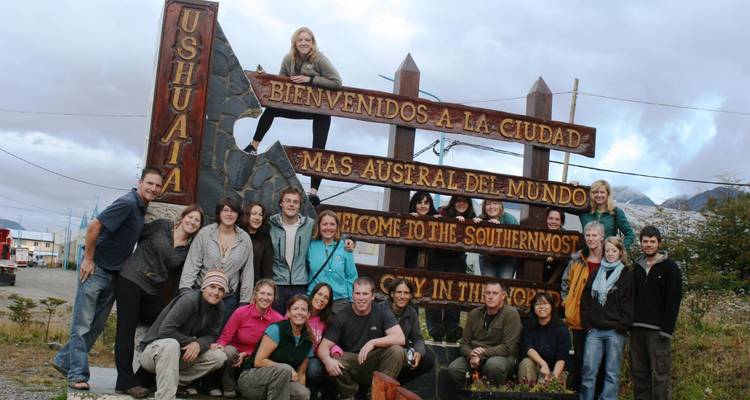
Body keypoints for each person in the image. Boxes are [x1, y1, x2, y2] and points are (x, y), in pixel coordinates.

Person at [52, 167, 163, 391]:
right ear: (140, 182)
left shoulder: (141, 208)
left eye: (157, 185)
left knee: (96, 325)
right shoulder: (129, 202)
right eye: (149, 183)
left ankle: (63, 361)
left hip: (115, 274)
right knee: (82, 324)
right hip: (96, 270)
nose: (153, 188)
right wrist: (88, 259)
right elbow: (94, 226)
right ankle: (76, 374)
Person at [245, 27, 342, 206]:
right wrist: (265, 77)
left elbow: (336, 81)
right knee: (272, 108)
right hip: (297, 105)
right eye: (300, 40)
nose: (304, 43)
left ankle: (313, 191)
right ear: (295, 43)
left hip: (318, 110)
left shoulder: (319, 59)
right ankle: (253, 145)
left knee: (318, 149)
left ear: (312, 43)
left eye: (307, 40)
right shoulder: (288, 59)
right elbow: (280, 85)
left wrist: (310, 80)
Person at [114, 205, 204, 397]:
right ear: (183, 217)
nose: (192, 222)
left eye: (197, 221)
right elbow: (134, 236)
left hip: (152, 290)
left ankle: (143, 379)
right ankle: (124, 382)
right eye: (191, 217)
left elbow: (180, 278)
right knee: (126, 331)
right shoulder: (162, 226)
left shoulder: (189, 249)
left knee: (167, 325)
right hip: (130, 279)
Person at [318, 277, 405, 400]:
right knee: (332, 360)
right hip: (352, 362)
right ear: (352, 295)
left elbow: (400, 338)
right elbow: (323, 347)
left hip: (373, 361)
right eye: (357, 293)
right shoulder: (342, 316)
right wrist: (327, 360)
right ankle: (349, 393)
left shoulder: (381, 311)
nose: (361, 298)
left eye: (365, 294)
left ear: (372, 296)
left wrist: (373, 342)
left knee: (397, 350)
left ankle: (377, 394)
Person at [269, 187, 354, 313]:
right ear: (281, 203)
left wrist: (350, 240)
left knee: (299, 324)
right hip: (278, 283)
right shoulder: (270, 224)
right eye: (288, 201)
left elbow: (329, 230)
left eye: (295, 202)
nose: (291, 204)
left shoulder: (309, 225)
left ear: (300, 206)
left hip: (301, 285)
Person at [438, 281, 522, 400]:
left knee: (493, 365)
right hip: (475, 356)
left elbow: (507, 347)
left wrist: (482, 354)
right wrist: (470, 354)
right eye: (488, 293)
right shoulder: (474, 314)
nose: (490, 296)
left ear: (503, 296)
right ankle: (476, 392)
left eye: (495, 293)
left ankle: (496, 394)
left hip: (502, 357)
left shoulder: (511, 314)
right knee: (454, 369)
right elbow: (464, 342)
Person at [179, 197, 254, 326]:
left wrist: (244, 302)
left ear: (238, 215)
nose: (229, 214)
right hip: (201, 294)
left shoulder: (244, 239)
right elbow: (193, 262)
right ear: (219, 213)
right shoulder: (205, 233)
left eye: (233, 211)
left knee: (218, 338)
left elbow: (247, 272)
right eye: (225, 210)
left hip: (228, 298)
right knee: (193, 331)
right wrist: (185, 290)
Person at [630, 226, 683, 400]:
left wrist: (667, 330)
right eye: (645, 241)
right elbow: (631, 296)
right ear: (641, 243)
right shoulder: (636, 267)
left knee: (661, 375)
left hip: (658, 331)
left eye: (652, 241)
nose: (649, 245)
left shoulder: (670, 267)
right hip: (637, 329)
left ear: (659, 243)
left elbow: (673, 300)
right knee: (639, 374)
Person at [580, 236, 633, 400]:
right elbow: (585, 300)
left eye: (614, 250)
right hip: (594, 330)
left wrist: (622, 325)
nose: (610, 253)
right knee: (588, 370)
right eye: (607, 250)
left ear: (620, 252)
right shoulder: (596, 273)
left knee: (611, 373)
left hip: (615, 331)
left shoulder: (626, 275)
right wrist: (588, 325)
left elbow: (630, 302)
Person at [214, 279, 284, 398]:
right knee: (228, 351)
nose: (265, 297)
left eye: (269, 294)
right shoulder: (241, 312)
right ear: (255, 294)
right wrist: (220, 346)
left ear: (274, 298)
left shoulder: (278, 319)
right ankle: (228, 386)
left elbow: (277, 347)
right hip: (236, 354)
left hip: (259, 358)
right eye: (262, 293)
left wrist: (246, 354)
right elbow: (225, 336)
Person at [237, 294, 315, 400]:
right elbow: (259, 361)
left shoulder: (308, 340)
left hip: (280, 383)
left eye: (304, 309)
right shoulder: (276, 329)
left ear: (309, 314)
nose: (299, 313)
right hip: (251, 380)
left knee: (303, 394)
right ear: (288, 312)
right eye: (295, 308)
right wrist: (289, 369)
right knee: (285, 369)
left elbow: (301, 374)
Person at [561, 221, 604, 391]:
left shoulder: (608, 260)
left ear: (601, 237)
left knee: (598, 362)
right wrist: (567, 303)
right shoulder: (577, 261)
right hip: (578, 318)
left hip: (600, 321)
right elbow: (565, 283)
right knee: (578, 360)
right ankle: (575, 393)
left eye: (594, 235)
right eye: (588, 235)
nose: (591, 238)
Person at [428, 195, 475, 342]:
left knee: (455, 293)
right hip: (437, 256)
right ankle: (435, 329)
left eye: (465, 201)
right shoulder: (443, 212)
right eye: (458, 201)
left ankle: (452, 329)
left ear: (469, 204)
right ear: (453, 203)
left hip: (457, 259)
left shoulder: (471, 216)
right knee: (434, 291)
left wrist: (469, 223)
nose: (461, 204)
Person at [307, 210, 358, 314]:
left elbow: (351, 276)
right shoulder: (310, 245)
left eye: (332, 224)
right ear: (319, 226)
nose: (328, 228)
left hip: (339, 301)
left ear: (337, 227)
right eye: (325, 224)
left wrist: (352, 302)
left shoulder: (345, 247)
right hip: (315, 298)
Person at [385, 278, 435, 384]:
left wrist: (419, 352)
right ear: (392, 294)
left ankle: (396, 383)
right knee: (397, 352)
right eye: (399, 292)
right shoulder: (381, 309)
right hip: (383, 352)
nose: (402, 296)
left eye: (406, 293)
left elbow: (417, 338)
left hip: (402, 351)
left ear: (411, 296)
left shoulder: (411, 312)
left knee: (428, 359)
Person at [518, 292, 570, 384]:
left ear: (552, 307)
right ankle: (526, 393)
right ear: (533, 308)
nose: (541, 307)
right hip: (537, 366)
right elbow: (528, 348)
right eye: (538, 304)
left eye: (545, 303)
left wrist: (553, 379)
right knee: (526, 362)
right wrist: (543, 364)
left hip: (557, 370)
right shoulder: (529, 326)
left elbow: (561, 358)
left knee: (551, 388)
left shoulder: (561, 328)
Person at [306, 283, 343, 400]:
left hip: (315, 357)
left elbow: (331, 341)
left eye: (326, 297)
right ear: (313, 294)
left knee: (314, 369)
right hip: (297, 353)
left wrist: (335, 351)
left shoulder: (328, 319)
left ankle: (314, 393)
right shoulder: (301, 309)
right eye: (319, 294)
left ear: (329, 302)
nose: (321, 299)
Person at [579, 180, 635, 248]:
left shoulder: (616, 212)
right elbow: (565, 206)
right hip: (587, 256)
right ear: (591, 194)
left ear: (608, 194)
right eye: (595, 192)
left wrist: (619, 250)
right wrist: (572, 187)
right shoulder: (584, 210)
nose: (599, 195)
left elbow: (630, 234)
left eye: (602, 192)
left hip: (607, 256)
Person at [473, 199, 519, 279]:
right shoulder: (480, 218)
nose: (491, 207)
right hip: (487, 257)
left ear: (501, 206)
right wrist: (476, 225)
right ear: (484, 207)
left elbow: (516, 241)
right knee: (489, 284)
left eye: (495, 203)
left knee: (505, 283)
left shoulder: (510, 220)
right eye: (488, 204)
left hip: (507, 258)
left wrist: (499, 227)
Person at [240, 201, 274, 282]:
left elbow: (267, 269)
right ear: (247, 215)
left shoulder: (265, 238)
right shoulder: (238, 235)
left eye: (260, 215)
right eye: (254, 213)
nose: (257, 218)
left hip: (255, 286)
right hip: (234, 286)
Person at [405, 191, 438, 269]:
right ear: (414, 204)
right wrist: (409, 220)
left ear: (430, 205)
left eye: (426, 203)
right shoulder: (408, 216)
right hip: (409, 264)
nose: (423, 206)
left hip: (431, 266)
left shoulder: (436, 218)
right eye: (419, 203)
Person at [544, 207, 568, 283]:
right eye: (550, 218)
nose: (553, 221)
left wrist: (549, 284)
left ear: (561, 222)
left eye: (557, 219)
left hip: (559, 279)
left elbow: (563, 265)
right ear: (546, 219)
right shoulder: (539, 233)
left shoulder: (567, 237)